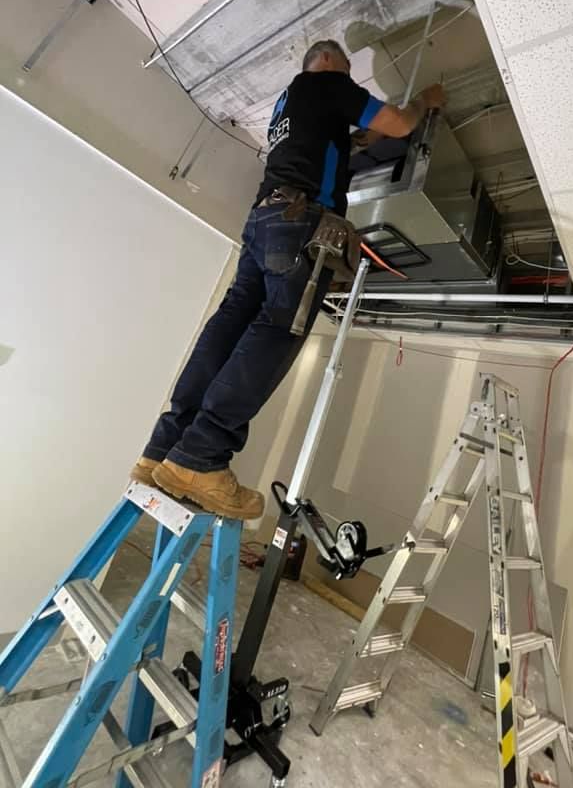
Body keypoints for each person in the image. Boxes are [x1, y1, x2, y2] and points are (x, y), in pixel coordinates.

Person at [130, 39, 444, 518]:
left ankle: (164, 448)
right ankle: (201, 456)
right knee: (279, 329)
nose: (351, 80)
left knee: (231, 324)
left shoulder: (290, 104)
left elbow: (355, 141)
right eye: (347, 70)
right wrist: (425, 101)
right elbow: (399, 122)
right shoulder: (328, 84)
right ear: (331, 63)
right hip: (299, 222)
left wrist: (366, 134)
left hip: (265, 220)